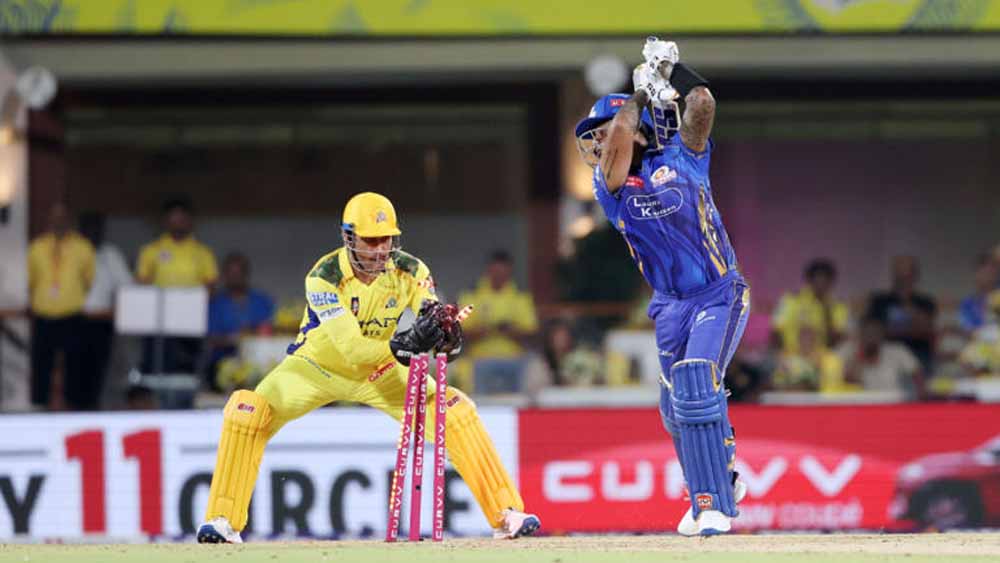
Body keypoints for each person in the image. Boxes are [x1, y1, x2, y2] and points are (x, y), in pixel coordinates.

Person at [197, 192, 539, 543]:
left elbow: (431, 313)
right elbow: (352, 349)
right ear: (349, 237)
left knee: (454, 410)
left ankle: (506, 514)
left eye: (386, 239)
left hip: (382, 372)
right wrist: (406, 344)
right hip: (314, 368)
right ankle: (223, 520)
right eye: (370, 240)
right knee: (248, 411)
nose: (379, 250)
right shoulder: (324, 277)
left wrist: (445, 335)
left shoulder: (412, 270)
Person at [574, 37, 747, 535]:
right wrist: (641, 94)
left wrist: (671, 69)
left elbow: (703, 103)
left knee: (696, 381)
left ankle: (713, 504)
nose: (599, 144)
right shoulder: (608, 186)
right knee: (674, 408)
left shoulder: (685, 156)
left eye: (601, 132)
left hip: (718, 292)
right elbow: (622, 137)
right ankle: (715, 483)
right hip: (669, 305)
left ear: (638, 129)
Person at [136, 197, 219, 373]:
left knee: (186, 369)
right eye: (173, 218)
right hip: (157, 322)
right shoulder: (152, 250)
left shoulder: (202, 252)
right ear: (165, 221)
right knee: (155, 366)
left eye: (182, 218)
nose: (178, 223)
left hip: (191, 322)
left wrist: (187, 303)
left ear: (190, 221)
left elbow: (211, 288)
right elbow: (142, 285)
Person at [27, 202, 95, 410]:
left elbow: (88, 280)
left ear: (70, 220)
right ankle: (39, 405)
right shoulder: (37, 247)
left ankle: (74, 404)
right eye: (55, 217)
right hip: (43, 314)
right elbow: (32, 280)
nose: (59, 221)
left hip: (72, 314)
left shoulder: (83, 247)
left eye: (63, 217)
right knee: (41, 362)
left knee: (75, 362)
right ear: (49, 219)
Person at [79, 211, 133, 410]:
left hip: (103, 319)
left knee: (102, 370)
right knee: (77, 371)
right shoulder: (73, 252)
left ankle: (98, 408)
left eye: (96, 228)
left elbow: (127, 286)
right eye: (88, 228)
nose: (92, 232)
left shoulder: (111, 255)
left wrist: (118, 310)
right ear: (81, 230)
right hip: (75, 320)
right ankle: (78, 410)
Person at [205, 252, 275, 389]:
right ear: (224, 275)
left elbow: (271, 328)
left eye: (239, 273)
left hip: (259, 363)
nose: (235, 278)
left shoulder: (261, 300)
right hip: (223, 363)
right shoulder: (215, 303)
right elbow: (210, 338)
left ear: (246, 274)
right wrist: (234, 338)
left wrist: (251, 333)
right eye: (231, 273)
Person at [866, 255, 937, 372]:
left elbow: (925, 329)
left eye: (907, 275)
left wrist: (897, 322)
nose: (903, 279)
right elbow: (874, 330)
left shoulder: (926, 302)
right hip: (887, 356)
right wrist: (910, 322)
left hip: (919, 354)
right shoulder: (879, 301)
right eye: (899, 275)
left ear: (915, 276)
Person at [772, 259, 849, 354]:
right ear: (809, 281)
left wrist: (827, 313)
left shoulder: (838, 307)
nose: (821, 286)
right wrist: (783, 355)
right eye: (817, 281)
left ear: (831, 283)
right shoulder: (791, 300)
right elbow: (776, 331)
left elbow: (835, 341)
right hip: (790, 355)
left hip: (821, 358)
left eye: (825, 282)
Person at [837, 315, 923, 399]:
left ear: (882, 334)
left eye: (875, 332)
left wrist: (921, 393)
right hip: (864, 402)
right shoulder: (849, 351)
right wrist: (860, 356)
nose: (871, 337)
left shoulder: (897, 351)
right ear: (861, 333)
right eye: (868, 333)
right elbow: (847, 382)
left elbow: (916, 371)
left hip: (894, 401)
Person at [958, 254, 999, 334]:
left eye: (993, 273)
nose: (990, 277)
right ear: (977, 274)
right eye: (986, 273)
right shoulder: (968, 304)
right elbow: (969, 330)